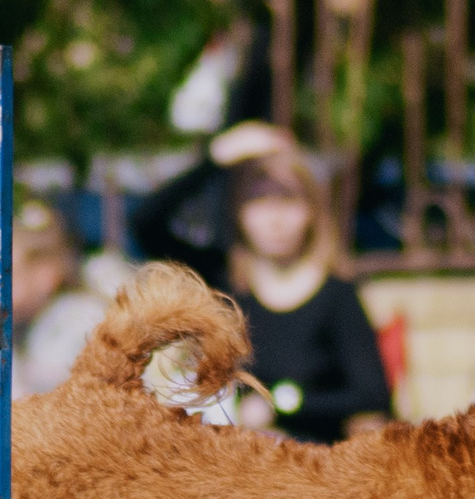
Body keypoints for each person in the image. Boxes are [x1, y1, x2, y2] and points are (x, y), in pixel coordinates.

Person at [131, 123, 391, 443]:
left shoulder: (337, 295)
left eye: (288, 200)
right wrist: (214, 159)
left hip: (309, 458)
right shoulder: (225, 283)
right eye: (259, 200)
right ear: (238, 212)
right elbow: (146, 224)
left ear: (312, 210)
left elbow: (372, 395)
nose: (274, 218)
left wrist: (282, 404)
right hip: (236, 458)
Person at [6, 202, 108, 399]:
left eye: (0, 282)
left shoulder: (76, 320)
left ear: (45, 274)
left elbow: (36, 396)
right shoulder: (37, 321)